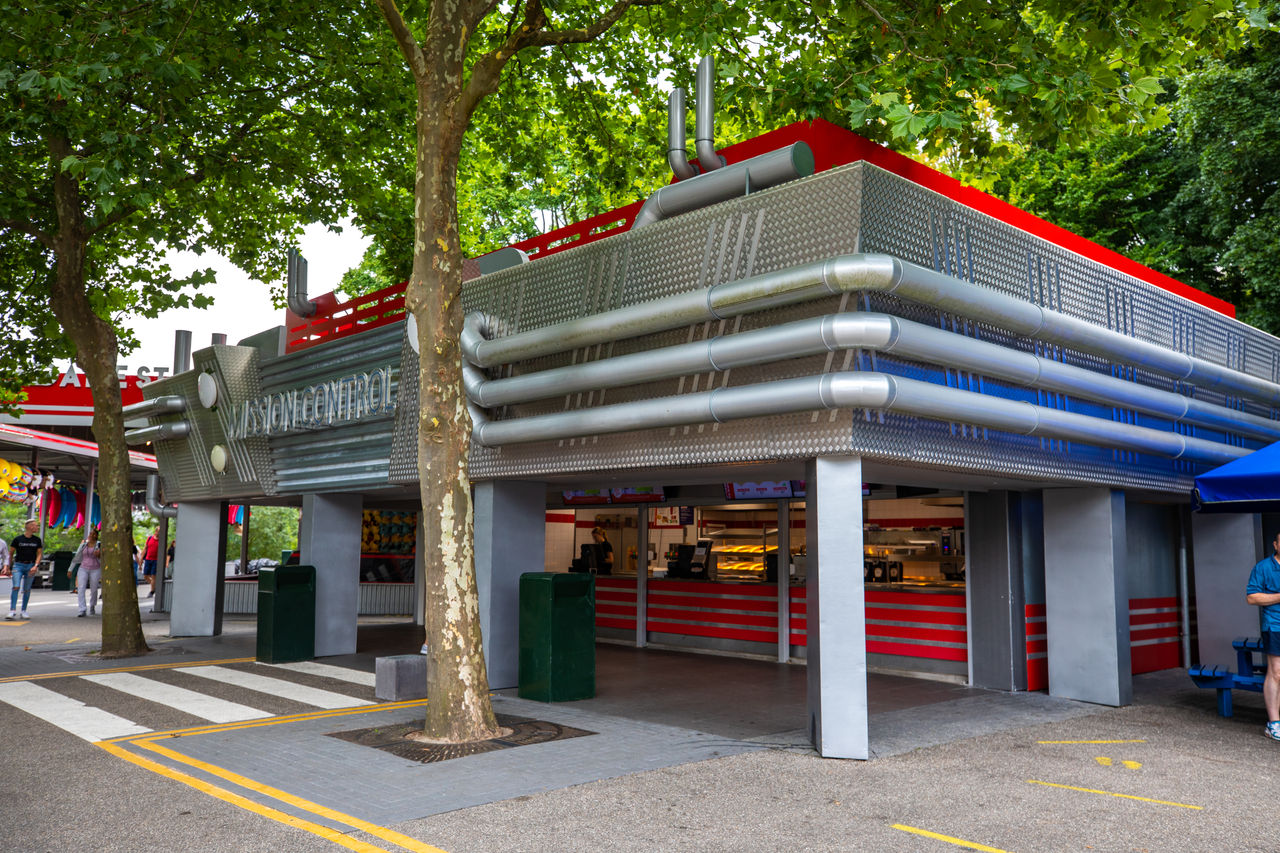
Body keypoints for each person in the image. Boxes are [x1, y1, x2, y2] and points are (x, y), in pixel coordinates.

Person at [1246, 531, 1280, 742]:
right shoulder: (1263, 568)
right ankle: (1274, 723)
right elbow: (1252, 597)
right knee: (1276, 672)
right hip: (1275, 626)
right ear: (1276, 544)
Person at [7, 518, 43, 620]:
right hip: (18, 565)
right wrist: (9, 567)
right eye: (36, 525)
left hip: (30, 566)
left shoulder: (37, 540)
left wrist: (35, 565)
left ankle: (24, 610)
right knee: (16, 586)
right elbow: (11, 553)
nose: (37, 527)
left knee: (27, 589)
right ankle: (12, 610)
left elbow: (39, 554)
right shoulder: (18, 539)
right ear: (29, 527)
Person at [75, 529, 102, 617]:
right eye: (90, 533)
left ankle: (92, 605)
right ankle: (82, 609)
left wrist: (99, 554)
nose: (90, 535)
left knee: (93, 589)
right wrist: (70, 569)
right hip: (83, 568)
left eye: (93, 534)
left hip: (96, 569)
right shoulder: (83, 544)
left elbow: (103, 558)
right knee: (81, 588)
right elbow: (77, 556)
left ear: (96, 536)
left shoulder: (99, 545)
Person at [142, 529, 159, 598]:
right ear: (155, 531)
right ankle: (155, 586)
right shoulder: (149, 538)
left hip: (156, 560)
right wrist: (141, 558)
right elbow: (145, 548)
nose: (159, 533)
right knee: (145, 576)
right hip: (148, 559)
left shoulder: (161, 540)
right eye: (158, 531)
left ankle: (152, 591)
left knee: (153, 576)